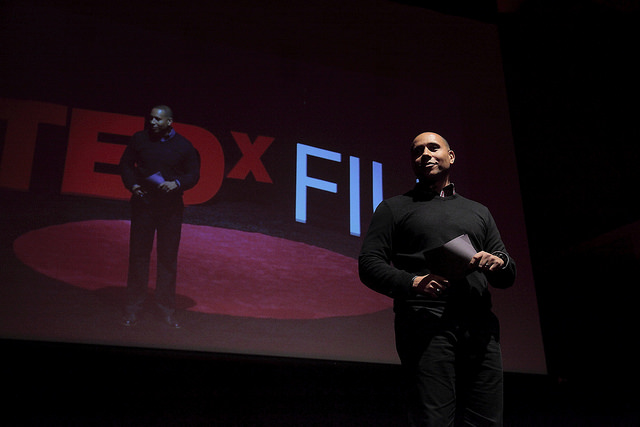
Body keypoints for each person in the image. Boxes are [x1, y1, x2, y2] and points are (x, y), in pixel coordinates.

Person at [358, 132, 516, 426]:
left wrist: (499, 262)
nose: (426, 154)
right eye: (418, 151)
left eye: (433, 147)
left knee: (487, 420)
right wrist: (414, 282)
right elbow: (369, 264)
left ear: (451, 156)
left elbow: (508, 273)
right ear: (413, 163)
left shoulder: (479, 211)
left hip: (479, 324)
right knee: (432, 419)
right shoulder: (394, 208)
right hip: (424, 321)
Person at [119, 105, 200, 328]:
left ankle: (166, 310)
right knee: (138, 257)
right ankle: (133, 309)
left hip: (170, 209)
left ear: (169, 122)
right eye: (151, 118)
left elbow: (194, 174)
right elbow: (126, 165)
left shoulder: (183, 146)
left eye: (157, 119)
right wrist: (133, 185)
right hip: (143, 205)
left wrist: (177, 183)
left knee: (167, 259)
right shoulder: (139, 139)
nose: (152, 122)